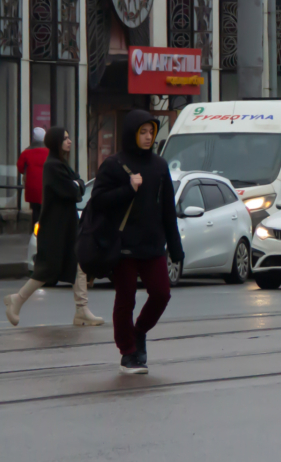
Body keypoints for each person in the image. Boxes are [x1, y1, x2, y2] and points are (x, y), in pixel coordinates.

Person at [91, 110, 184, 374]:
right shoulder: (113, 164)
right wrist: (127, 189)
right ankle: (128, 353)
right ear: (132, 134)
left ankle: (139, 331)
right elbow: (98, 201)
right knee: (126, 298)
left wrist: (176, 249)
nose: (147, 137)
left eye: (151, 132)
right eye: (142, 132)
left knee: (161, 294)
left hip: (153, 245)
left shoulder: (159, 166)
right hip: (123, 247)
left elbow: (168, 209)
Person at [4, 128, 103, 328]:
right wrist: (76, 185)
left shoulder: (62, 164)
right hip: (55, 228)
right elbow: (72, 190)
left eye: (69, 137)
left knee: (78, 266)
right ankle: (17, 300)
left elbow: (79, 185)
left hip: (65, 225)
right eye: (65, 138)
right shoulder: (53, 166)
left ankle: (81, 310)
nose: (69, 141)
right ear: (56, 142)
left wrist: (77, 185)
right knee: (47, 270)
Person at [17, 127, 48, 232]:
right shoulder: (50, 152)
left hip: (32, 186)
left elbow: (20, 167)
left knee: (35, 211)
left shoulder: (26, 152)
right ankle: (45, 231)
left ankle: (35, 232)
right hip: (46, 186)